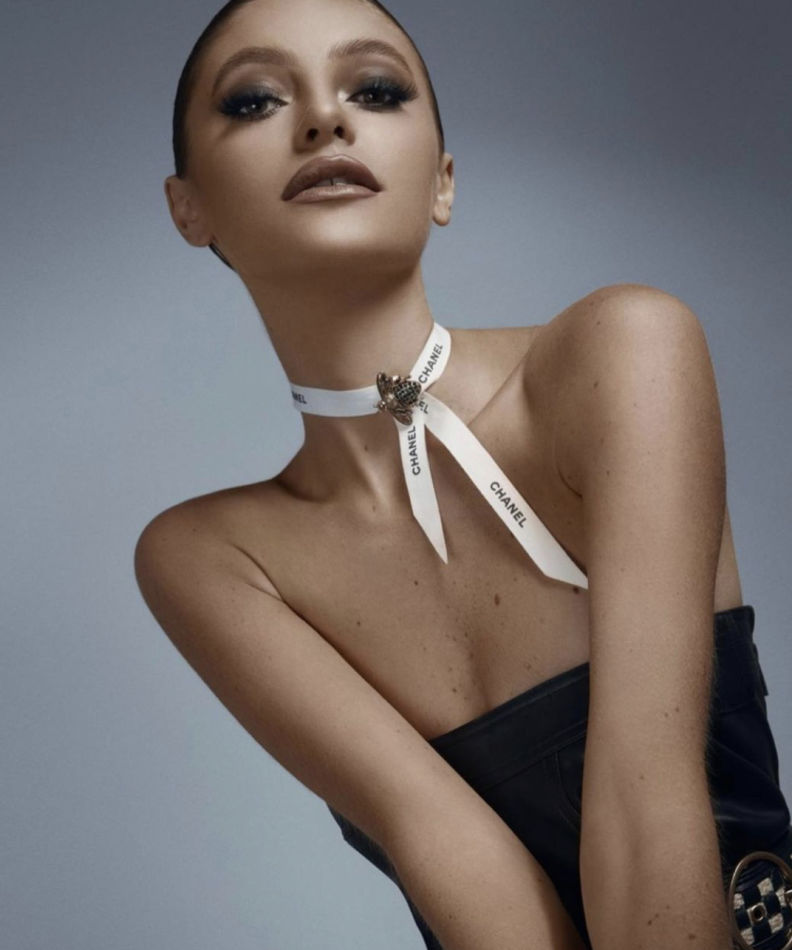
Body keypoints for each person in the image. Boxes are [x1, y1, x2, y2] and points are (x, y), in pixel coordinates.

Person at [134, 1, 792, 947]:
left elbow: (648, 814)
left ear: (443, 181)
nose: (324, 119)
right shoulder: (210, 557)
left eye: (374, 89)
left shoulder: (621, 353)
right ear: (187, 208)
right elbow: (460, 873)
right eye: (254, 101)